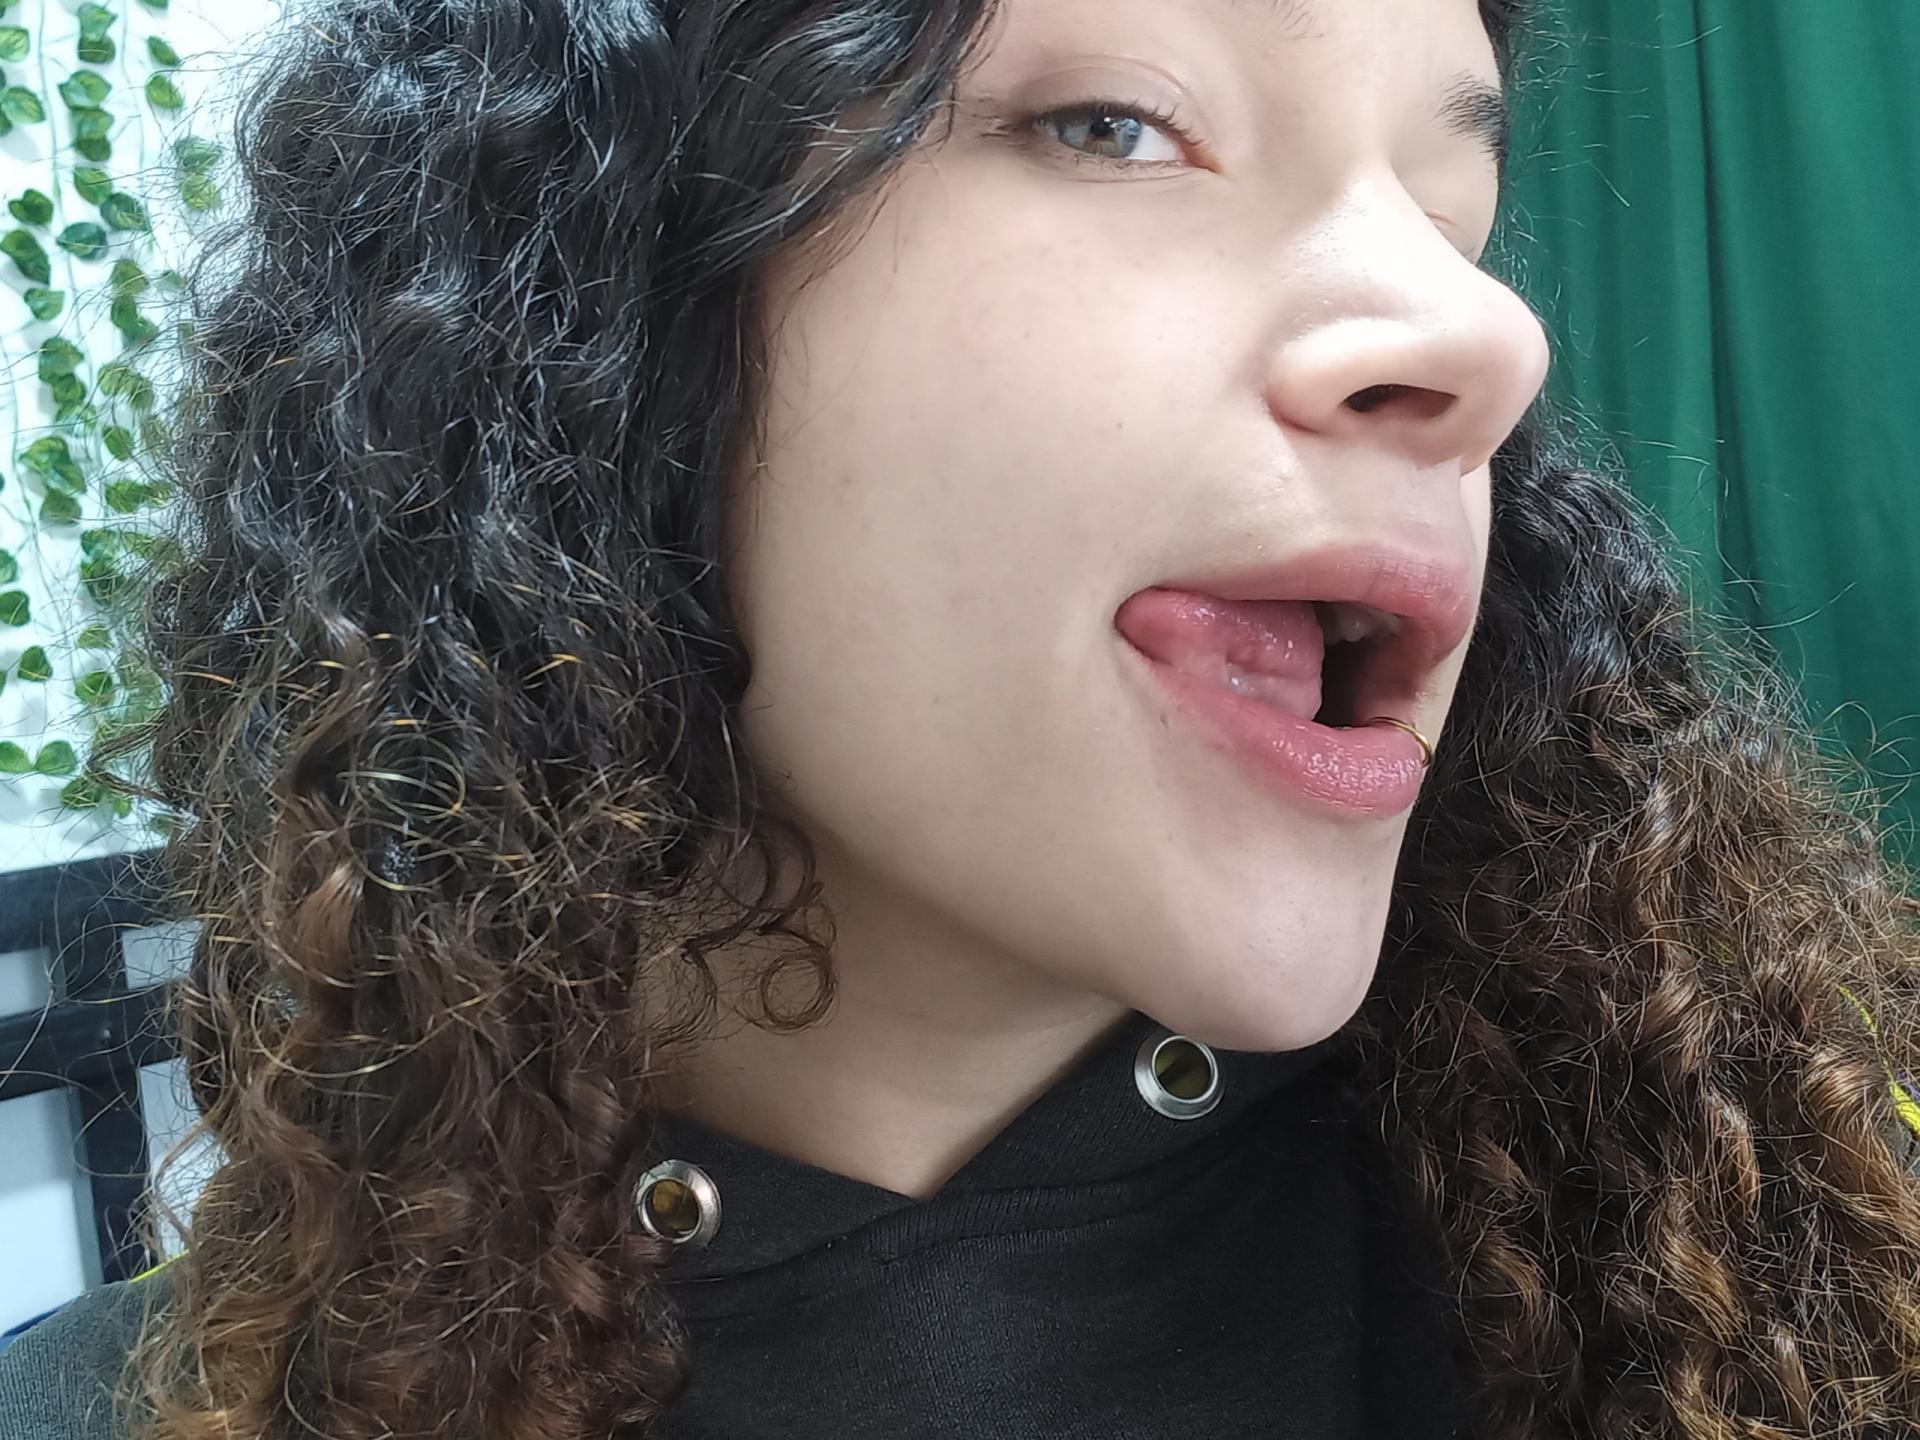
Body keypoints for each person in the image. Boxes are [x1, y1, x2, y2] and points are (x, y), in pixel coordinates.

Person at [5, 0, 1920, 1434]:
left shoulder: (1771, 1280)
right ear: (586, 321)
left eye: (1451, 209)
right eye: (1113, 123)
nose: (1486, 336)